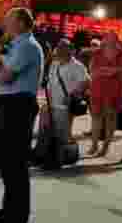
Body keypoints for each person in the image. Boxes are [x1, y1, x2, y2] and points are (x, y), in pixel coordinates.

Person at [0, 7, 44, 223]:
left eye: (8, 20)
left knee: (15, 162)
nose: (4, 24)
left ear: (21, 23)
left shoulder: (26, 46)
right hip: (10, 105)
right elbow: (1, 71)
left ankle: (17, 214)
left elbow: (4, 77)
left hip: (18, 106)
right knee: (8, 162)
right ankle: (9, 209)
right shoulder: (17, 45)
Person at [37, 39, 88, 170]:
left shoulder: (77, 66)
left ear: (69, 50)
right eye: (59, 48)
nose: (59, 50)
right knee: (45, 131)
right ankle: (42, 156)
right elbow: (49, 83)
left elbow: (86, 81)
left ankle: (56, 160)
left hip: (64, 106)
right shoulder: (54, 64)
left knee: (60, 134)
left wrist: (73, 94)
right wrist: (47, 102)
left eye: (63, 48)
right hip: (51, 103)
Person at [88, 32, 122, 158]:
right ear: (104, 40)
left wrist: (107, 71)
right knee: (96, 117)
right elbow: (92, 70)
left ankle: (105, 146)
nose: (110, 41)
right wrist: (111, 71)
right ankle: (94, 144)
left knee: (110, 118)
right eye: (108, 38)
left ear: (116, 41)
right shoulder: (97, 53)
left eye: (113, 39)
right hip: (98, 88)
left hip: (114, 90)